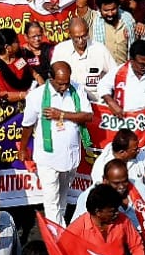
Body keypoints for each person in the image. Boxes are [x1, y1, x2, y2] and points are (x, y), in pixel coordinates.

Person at [19, 61, 95, 227]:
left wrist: (62, 115)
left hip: (71, 156)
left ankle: (59, 227)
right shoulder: (36, 96)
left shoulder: (76, 89)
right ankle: (58, 236)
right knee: (51, 200)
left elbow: (88, 116)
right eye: (61, 84)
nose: (65, 87)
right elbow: (27, 125)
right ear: (50, 78)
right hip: (48, 158)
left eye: (67, 82)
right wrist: (23, 148)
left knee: (62, 196)